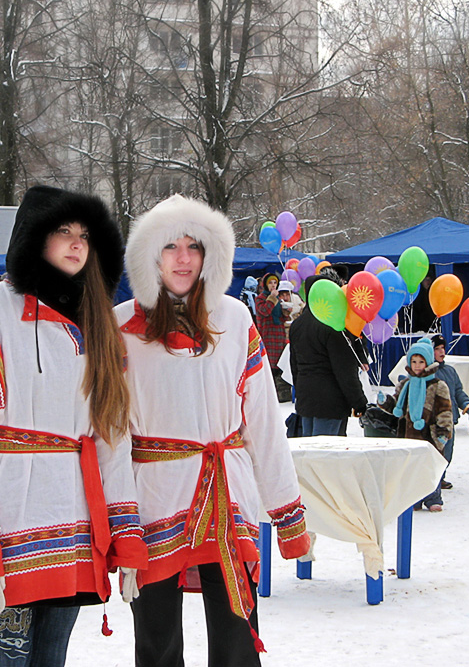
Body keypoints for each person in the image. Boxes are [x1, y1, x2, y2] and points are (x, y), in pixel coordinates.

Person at [0, 186, 147, 667]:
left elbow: (111, 438)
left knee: (50, 661)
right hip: (7, 533)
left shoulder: (97, 326)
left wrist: (126, 534)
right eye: (63, 232)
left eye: (85, 235)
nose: (77, 243)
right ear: (34, 238)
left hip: (72, 533)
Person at [116, 195, 310, 667]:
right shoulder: (120, 326)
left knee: (236, 635)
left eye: (194, 246)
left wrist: (287, 511)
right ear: (150, 255)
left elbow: (262, 418)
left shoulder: (235, 317)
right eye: (170, 247)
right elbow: (110, 434)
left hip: (228, 496)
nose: (183, 258)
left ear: (210, 255)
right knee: (156, 641)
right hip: (155, 499)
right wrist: (119, 524)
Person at [289, 274, 368, 437]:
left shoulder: (297, 324)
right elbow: (344, 369)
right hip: (331, 401)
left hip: (305, 398)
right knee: (327, 456)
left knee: (309, 453)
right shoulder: (332, 323)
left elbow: (294, 365)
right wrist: (359, 402)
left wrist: (300, 393)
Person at [379, 338, 451, 511]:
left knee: (428, 467)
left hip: (429, 433)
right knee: (409, 468)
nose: (417, 365)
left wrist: (443, 431)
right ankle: (413, 499)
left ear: (427, 362)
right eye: (414, 361)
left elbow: (445, 410)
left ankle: (433, 498)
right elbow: (397, 407)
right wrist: (384, 402)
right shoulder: (405, 385)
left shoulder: (437, 385)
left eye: (421, 362)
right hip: (408, 433)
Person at [431, 333, 469, 489]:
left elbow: (458, 390)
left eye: (443, 348)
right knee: (435, 452)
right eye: (437, 349)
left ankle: (441, 477)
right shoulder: (427, 373)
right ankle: (431, 482)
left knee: (448, 452)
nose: (442, 352)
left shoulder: (450, 371)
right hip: (434, 422)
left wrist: (466, 403)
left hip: (450, 421)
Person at [255, 272, 292, 401]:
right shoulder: (260, 298)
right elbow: (264, 311)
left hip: (279, 335)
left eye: (275, 283)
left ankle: (281, 393)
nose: (273, 285)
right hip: (267, 335)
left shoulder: (277, 298)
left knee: (280, 364)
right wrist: (272, 298)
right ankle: (269, 394)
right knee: (269, 365)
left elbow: (282, 317)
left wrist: (286, 310)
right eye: (270, 282)